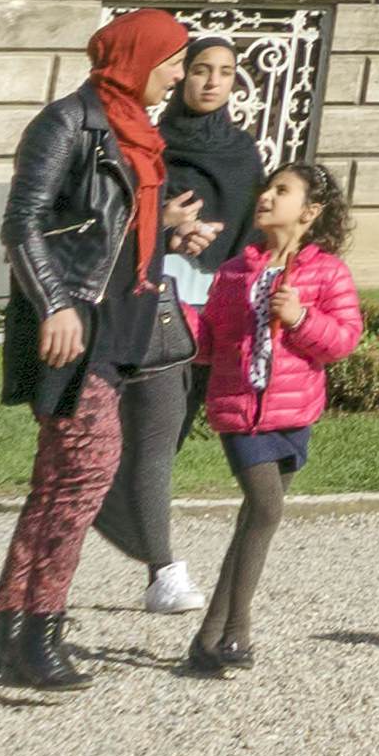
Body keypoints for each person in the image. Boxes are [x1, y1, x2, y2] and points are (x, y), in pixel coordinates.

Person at [0, 5, 196, 692]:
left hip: (123, 324)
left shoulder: (136, 130)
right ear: (139, 59)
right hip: (78, 329)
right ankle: (39, 630)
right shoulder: (69, 121)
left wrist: (168, 233)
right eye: (174, 61)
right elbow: (23, 224)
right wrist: (56, 303)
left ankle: (5, 635)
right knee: (83, 476)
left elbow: (110, 225)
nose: (180, 75)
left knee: (57, 484)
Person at [107, 37, 275, 620]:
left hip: (220, 304)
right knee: (155, 433)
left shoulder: (243, 153)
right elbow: (123, 213)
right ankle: (163, 570)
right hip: (161, 297)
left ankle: (102, 507)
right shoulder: (152, 143)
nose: (211, 82)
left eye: (225, 73)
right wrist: (171, 234)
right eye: (201, 70)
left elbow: (253, 230)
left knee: (169, 438)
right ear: (180, 78)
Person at [178, 160, 364, 678]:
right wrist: (176, 314)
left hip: (292, 412)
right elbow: (211, 341)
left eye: (281, 191)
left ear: (310, 212)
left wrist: (300, 318)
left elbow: (344, 339)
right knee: (265, 508)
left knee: (251, 524)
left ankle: (206, 639)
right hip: (240, 413)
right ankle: (237, 631)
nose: (266, 196)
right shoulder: (236, 270)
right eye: (267, 188)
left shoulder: (328, 273)